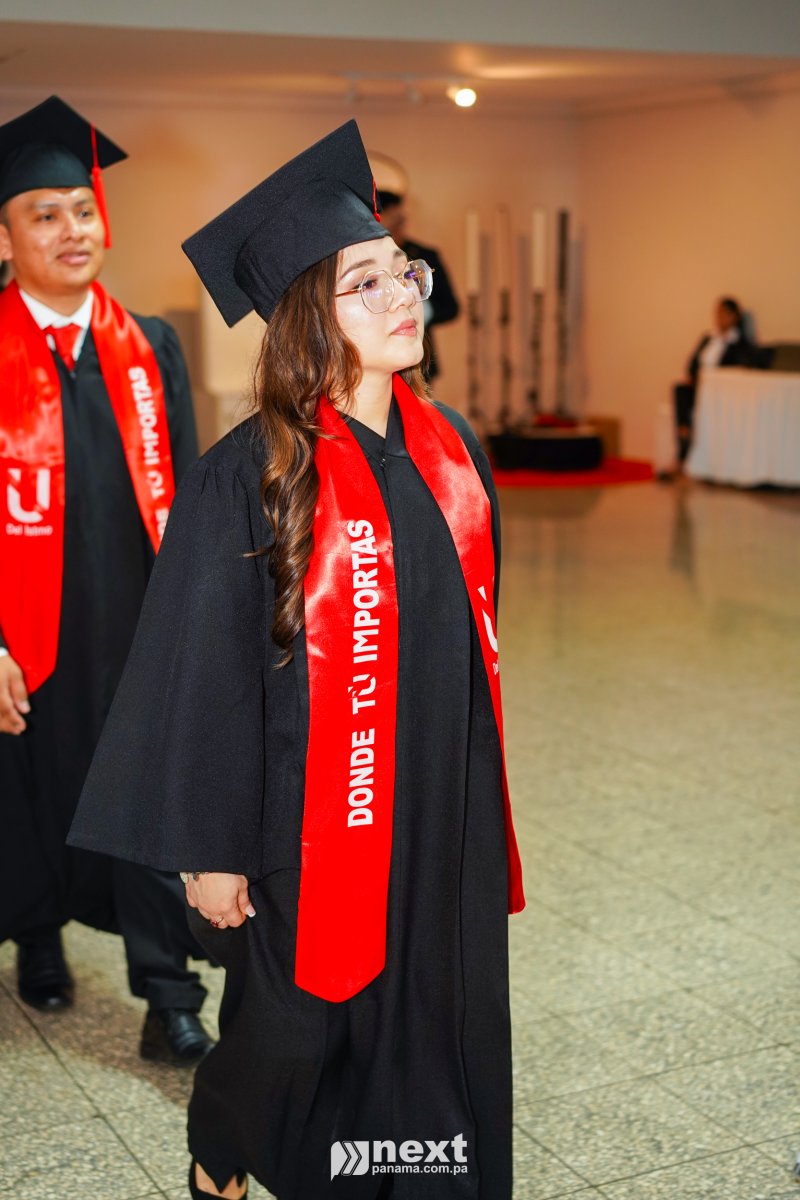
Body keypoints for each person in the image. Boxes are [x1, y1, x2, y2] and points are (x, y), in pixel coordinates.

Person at [70, 120, 525, 1199]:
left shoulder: (452, 452)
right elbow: (199, 678)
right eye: (366, 282)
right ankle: (224, 1144)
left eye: (403, 271)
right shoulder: (251, 475)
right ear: (309, 316)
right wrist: (209, 851)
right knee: (294, 1028)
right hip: (303, 821)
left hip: (436, 809)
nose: (403, 295)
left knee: (434, 1009)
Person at [0, 95, 213, 1065]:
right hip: (23, 631)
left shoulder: (149, 346)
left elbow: (192, 496)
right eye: (44, 213)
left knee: (151, 800)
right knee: (26, 791)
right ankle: (35, 939)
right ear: (5, 237)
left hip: (137, 622)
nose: (72, 229)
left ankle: (168, 994)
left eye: (82, 209)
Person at [377, 187, 460, 382]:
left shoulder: (424, 255)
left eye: (400, 220)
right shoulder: (371, 259)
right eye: (391, 219)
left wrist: (421, 308)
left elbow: (450, 307)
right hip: (380, 354)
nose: (398, 225)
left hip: (418, 361)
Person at [673, 296, 757, 467]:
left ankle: (688, 451)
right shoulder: (709, 338)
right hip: (700, 386)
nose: (719, 318)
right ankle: (684, 438)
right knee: (680, 390)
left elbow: (739, 370)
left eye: (724, 314)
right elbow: (692, 365)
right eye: (717, 313)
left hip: (721, 392)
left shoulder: (740, 344)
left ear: (734, 316)